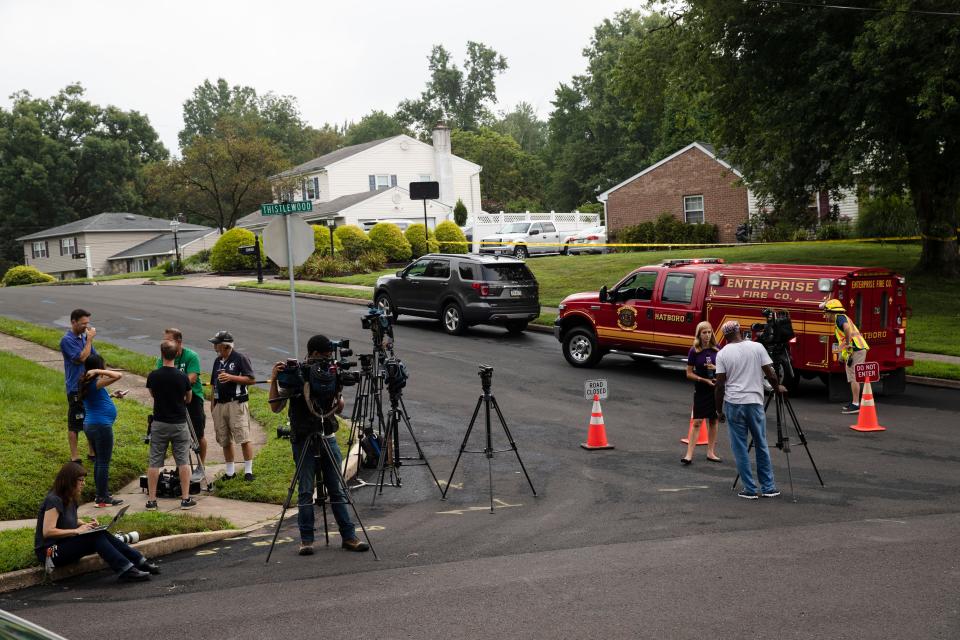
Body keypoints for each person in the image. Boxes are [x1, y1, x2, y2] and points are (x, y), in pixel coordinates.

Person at [268, 334, 369, 555]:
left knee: (338, 489)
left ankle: (349, 537)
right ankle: (306, 540)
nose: (327, 360)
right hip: (304, 438)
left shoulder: (331, 373)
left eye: (330, 356)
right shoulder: (298, 374)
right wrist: (275, 379)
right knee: (305, 490)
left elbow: (339, 407)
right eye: (324, 356)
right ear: (313, 353)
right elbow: (275, 407)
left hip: (327, 436)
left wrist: (335, 394)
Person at [34, 462, 160, 582]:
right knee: (94, 538)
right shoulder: (54, 499)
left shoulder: (70, 497)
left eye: (84, 480)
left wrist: (84, 524)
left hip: (64, 544)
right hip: (49, 552)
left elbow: (65, 519)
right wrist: (76, 531)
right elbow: (48, 531)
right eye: (80, 480)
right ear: (69, 480)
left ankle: (140, 562)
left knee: (101, 532)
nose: (83, 484)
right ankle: (126, 570)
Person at [714, 320, 785, 500]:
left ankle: (749, 488)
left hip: (734, 403)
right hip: (754, 402)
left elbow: (720, 385)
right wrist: (777, 388)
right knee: (761, 444)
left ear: (725, 336)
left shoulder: (722, 354)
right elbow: (770, 373)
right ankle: (768, 487)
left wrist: (719, 410)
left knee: (739, 447)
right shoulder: (757, 347)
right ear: (741, 331)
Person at [145, 340, 196, 510]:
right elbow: (189, 398)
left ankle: (152, 500)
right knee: (182, 461)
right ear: (176, 354)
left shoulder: (153, 375)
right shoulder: (182, 376)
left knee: (154, 462)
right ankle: (185, 498)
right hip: (179, 423)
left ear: (161, 354)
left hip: (159, 422)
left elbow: (153, 394)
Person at [156, 328, 207, 467]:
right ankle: (182, 466)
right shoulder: (163, 358)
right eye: (164, 339)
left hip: (193, 398)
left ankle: (200, 466)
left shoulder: (191, 356)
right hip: (173, 400)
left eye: (169, 339)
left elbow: (192, 377)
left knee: (197, 434)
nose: (165, 342)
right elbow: (159, 376)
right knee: (177, 435)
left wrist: (173, 382)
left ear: (179, 341)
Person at [209, 331, 256, 481]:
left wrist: (231, 377)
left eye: (216, 344)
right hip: (220, 404)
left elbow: (251, 379)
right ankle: (230, 472)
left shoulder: (240, 358)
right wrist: (213, 406)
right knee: (224, 438)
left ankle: (248, 471)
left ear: (225, 346)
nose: (214, 346)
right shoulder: (217, 361)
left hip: (236, 403)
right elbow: (213, 385)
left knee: (243, 436)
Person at [80, 354, 124, 507]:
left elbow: (95, 399)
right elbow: (118, 375)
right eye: (102, 365)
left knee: (99, 461)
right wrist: (99, 370)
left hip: (92, 425)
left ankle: (101, 494)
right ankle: (102, 497)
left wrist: (112, 395)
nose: (104, 367)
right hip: (100, 426)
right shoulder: (94, 382)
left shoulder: (88, 382)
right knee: (103, 463)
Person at [60, 308, 98, 463]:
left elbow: (93, 356)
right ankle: (74, 456)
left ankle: (92, 452)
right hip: (76, 388)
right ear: (73, 322)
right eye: (83, 323)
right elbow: (81, 358)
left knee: (90, 419)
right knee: (75, 422)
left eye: (87, 323)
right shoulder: (67, 340)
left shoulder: (83, 337)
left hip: (88, 385)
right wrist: (89, 340)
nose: (86, 326)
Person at [820, 298, 870, 414]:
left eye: (826, 312)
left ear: (831, 311)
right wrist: (842, 354)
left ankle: (856, 404)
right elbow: (845, 336)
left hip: (856, 349)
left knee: (854, 377)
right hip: (856, 349)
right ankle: (854, 402)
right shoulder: (842, 317)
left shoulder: (839, 318)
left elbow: (847, 329)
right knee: (853, 376)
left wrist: (847, 344)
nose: (825, 315)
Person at [683, 321, 722, 465]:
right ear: (699, 334)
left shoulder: (718, 349)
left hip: (715, 387)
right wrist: (702, 379)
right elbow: (688, 373)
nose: (707, 335)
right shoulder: (694, 350)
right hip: (701, 387)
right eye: (704, 332)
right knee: (697, 421)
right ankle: (688, 454)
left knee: (714, 420)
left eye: (709, 332)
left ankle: (711, 452)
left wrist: (715, 367)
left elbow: (726, 369)